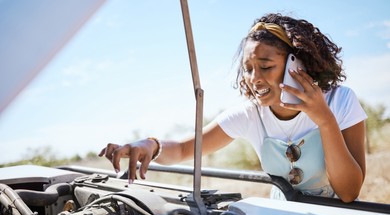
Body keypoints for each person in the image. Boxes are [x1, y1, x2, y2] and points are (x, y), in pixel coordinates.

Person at [99, 13, 367, 203]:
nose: (254, 78)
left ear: (297, 64)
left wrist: (325, 121)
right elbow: (183, 149)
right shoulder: (250, 114)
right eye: (248, 69)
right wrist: (150, 145)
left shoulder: (340, 101)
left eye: (265, 66)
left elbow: (348, 192)